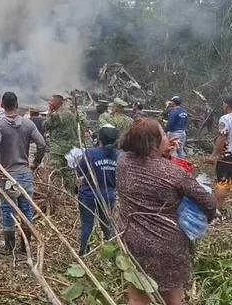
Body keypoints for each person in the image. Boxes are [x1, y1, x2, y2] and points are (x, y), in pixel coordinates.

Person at [116, 118, 217, 305]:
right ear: (154, 142)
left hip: (131, 239)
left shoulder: (123, 162)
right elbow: (209, 203)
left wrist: (162, 155)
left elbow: (148, 170)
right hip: (167, 245)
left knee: (137, 298)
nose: (167, 137)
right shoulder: (174, 173)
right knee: (172, 300)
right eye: (163, 134)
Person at [0, 91, 47, 251]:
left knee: (8, 208)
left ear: (2, 105)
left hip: (8, 175)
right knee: (26, 207)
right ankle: (26, 246)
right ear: (17, 105)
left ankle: (9, 247)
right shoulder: (28, 124)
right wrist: (35, 163)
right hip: (25, 173)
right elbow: (42, 144)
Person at [76, 125, 119, 256]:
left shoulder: (91, 153)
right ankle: (113, 254)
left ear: (99, 138)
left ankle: (83, 253)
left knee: (87, 225)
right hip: (108, 195)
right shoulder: (119, 156)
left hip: (88, 194)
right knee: (106, 224)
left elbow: (79, 171)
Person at [44, 94, 89, 187]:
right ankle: (70, 195)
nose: (49, 103)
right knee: (68, 174)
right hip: (69, 150)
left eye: (51, 101)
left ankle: (57, 195)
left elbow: (45, 126)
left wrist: (49, 113)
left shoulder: (55, 116)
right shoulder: (71, 114)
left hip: (57, 150)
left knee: (55, 173)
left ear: (57, 104)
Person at [209, 96, 232, 210]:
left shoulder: (225, 119)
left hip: (227, 158)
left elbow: (222, 138)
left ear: (227, 105)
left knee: (221, 183)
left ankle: (217, 211)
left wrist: (214, 155)